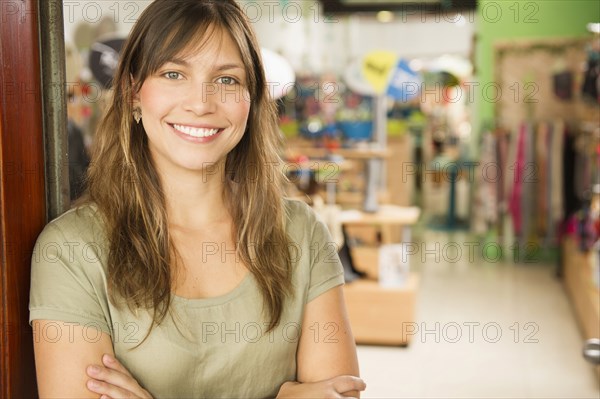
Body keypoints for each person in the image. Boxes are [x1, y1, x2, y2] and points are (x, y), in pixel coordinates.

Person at [29, 0, 365, 398]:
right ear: (133, 92)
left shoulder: (301, 234)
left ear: (252, 100)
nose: (201, 103)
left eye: (226, 80)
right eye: (174, 73)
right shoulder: (71, 250)